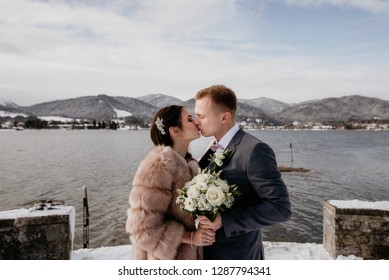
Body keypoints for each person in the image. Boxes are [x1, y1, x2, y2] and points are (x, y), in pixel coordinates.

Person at [194, 85, 292, 260]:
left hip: (238, 255)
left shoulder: (254, 150)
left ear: (224, 117)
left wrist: (224, 220)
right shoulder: (214, 147)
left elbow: (280, 208)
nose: (196, 121)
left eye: (201, 116)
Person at [126, 105, 215, 260]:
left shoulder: (188, 162)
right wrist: (191, 237)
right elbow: (140, 229)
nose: (195, 122)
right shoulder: (159, 164)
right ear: (175, 131)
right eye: (189, 119)